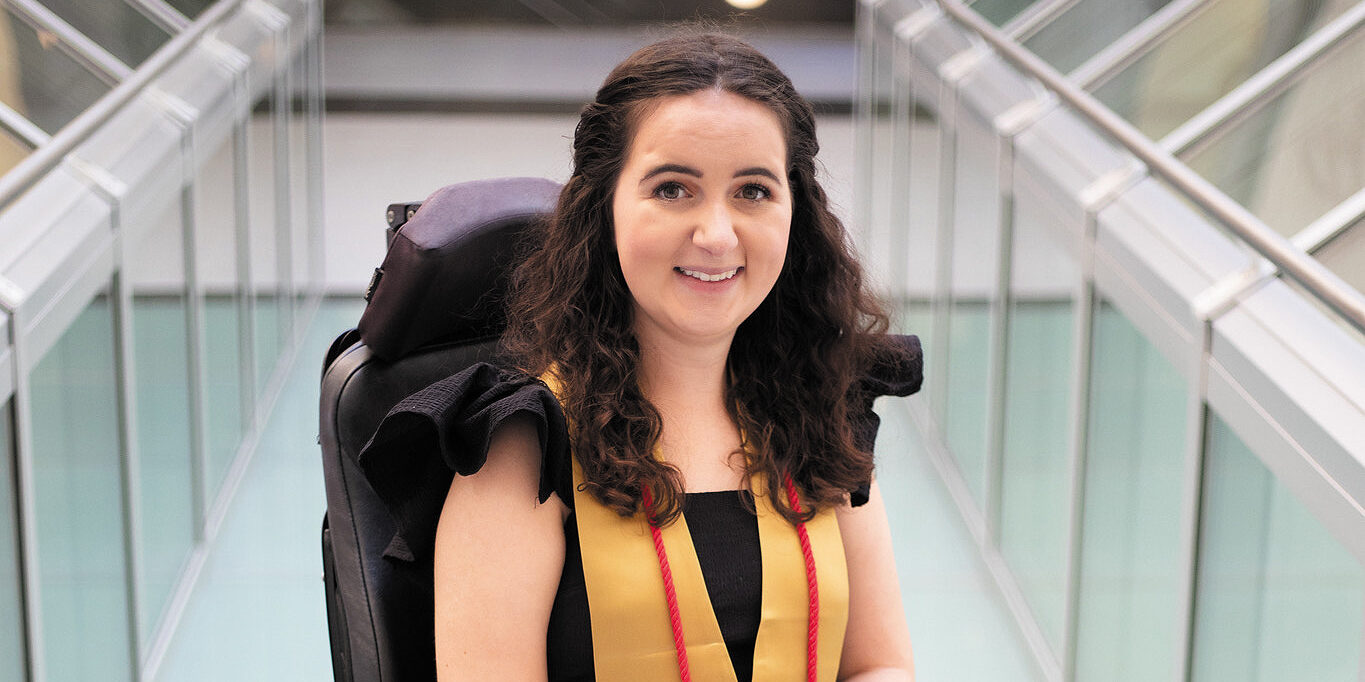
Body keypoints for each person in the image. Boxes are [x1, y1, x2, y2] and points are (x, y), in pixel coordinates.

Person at [364, 32, 921, 681]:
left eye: (753, 190)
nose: (716, 234)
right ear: (604, 208)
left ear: (794, 212)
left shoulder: (824, 414)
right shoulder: (521, 447)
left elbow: (876, 667)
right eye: (672, 189)